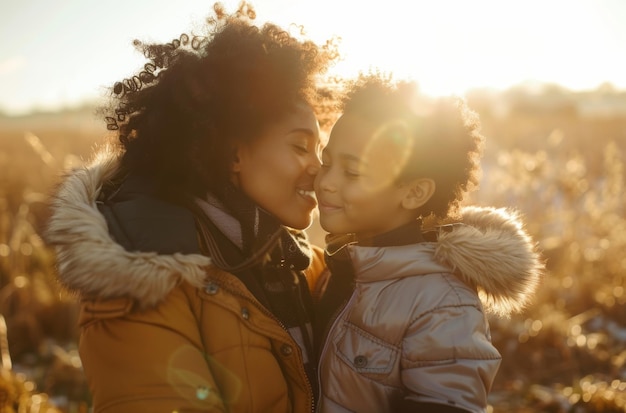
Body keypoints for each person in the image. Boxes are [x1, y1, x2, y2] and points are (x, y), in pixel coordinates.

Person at [44, 3, 339, 412]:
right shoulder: (142, 282)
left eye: (321, 149)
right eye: (300, 146)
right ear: (232, 153)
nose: (319, 167)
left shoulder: (303, 266)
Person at [313, 74, 544, 413]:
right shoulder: (341, 267)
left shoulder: (444, 305)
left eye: (352, 173)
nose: (325, 183)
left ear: (414, 192)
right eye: (327, 162)